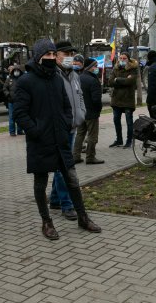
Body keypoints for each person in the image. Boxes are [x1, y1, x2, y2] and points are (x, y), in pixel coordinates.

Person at [13, 39, 101, 240]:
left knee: (72, 179)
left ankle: (83, 217)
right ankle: (47, 222)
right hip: (40, 142)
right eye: (48, 55)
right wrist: (35, 131)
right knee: (40, 183)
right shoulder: (26, 81)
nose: (52, 58)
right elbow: (20, 113)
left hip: (60, 139)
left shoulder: (56, 79)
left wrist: (66, 123)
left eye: (54, 54)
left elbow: (66, 106)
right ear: (38, 57)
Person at [48, 41, 86, 220]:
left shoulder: (75, 75)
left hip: (72, 127)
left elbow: (80, 98)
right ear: (56, 55)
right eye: (65, 53)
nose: (69, 57)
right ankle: (67, 204)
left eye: (71, 54)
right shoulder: (52, 76)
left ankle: (55, 199)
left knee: (60, 165)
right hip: (59, 129)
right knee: (65, 167)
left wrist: (81, 114)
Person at [73, 58, 104, 165]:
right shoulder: (93, 80)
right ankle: (90, 157)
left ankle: (75, 156)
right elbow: (96, 100)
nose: (97, 68)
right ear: (90, 67)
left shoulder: (78, 78)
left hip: (81, 112)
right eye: (95, 66)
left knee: (80, 134)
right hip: (91, 113)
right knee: (92, 136)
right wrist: (99, 109)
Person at [108, 52, 138, 148]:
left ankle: (129, 141)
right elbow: (110, 82)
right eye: (120, 58)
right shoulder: (115, 68)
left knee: (129, 122)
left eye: (124, 58)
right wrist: (122, 80)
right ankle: (119, 140)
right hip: (116, 99)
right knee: (116, 120)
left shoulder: (133, 69)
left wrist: (117, 79)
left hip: (128, 99)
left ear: (128, 59)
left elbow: (130, 81)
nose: (122, 59)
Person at [4, 64, 24, 136]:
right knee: (12, 117)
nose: (16, 72)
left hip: (20, 101)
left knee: (20, 116)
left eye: (17, 71)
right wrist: (8, 95)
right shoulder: (9, 79)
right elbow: (5, 88)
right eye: (15, 70)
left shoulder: (22, 79)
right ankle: (12, 132)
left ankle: (20, 131)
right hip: (11, 101)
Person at [145, 51, 156, 120]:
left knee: (155, 120)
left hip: (155, 100)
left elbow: (152, 87)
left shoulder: (152, 68)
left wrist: (149, 101)